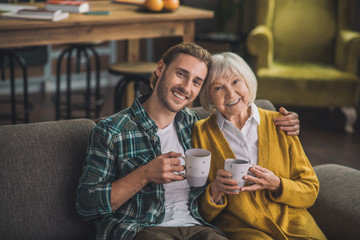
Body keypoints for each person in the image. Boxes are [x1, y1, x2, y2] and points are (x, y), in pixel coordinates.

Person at [76, 43, 300, 240]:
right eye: (181, 74)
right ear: (161, 68)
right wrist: (144, 174)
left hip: (199, 227)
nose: (186, 88)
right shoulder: (112, 131)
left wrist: (281, 120)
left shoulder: (196, 125)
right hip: (143, 229)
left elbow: (237, 109)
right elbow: (86, 206)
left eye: (196, 82)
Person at [192, 52, 326, 240]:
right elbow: (195, 207)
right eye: (219, 88)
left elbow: (310, 190)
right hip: (242, 227)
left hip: (293, 222)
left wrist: (278, 184)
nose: (231, 93)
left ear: (248, 82)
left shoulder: (280, 123)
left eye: (236, 82)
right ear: (209, 96)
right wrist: (215, 190)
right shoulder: (201, 132)